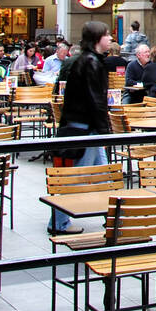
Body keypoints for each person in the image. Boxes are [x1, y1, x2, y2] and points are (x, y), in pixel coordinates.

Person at [50, 22, 113, 234]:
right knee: (78, 179)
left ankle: (114, 218)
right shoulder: (91, 63)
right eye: (107, 35)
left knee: (104, 176)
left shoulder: (83, 61)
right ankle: (58, 223)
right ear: (98, 38)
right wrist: (105, 132)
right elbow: (96, 101)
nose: (111, 38)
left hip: (83, 126)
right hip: (86, 129)